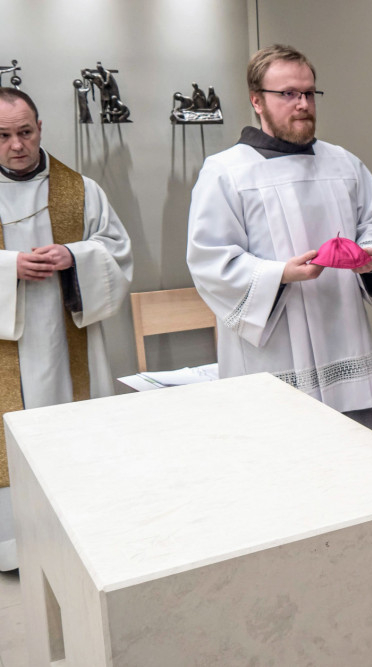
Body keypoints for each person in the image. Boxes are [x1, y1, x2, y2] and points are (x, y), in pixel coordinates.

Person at [187, 45, 372, 439]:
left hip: (345, 342)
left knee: (363, 460)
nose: (302, 104)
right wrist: (280, 274)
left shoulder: (344, 164)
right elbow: (210, 261)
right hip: (273, 355)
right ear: (256, 100)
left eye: (308, 93)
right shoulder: (226, 172)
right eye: (288, 94)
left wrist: (371, 258)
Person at [0, 87, 133, 570]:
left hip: (67, 339)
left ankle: (87, 534)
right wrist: (8, 266)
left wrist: (74, 255)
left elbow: (117, 251)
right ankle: (17, 548)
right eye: (3, 136)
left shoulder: (81, 190)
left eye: (25, 132)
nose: (17, 145)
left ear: (40, 128)